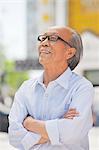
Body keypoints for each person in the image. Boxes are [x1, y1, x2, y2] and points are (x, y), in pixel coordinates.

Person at [8, 26, 94, 150]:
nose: (44, 43)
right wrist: (57, 129)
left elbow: (71, 133)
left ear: (69, 52)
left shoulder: (82, 87)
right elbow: (14, 136)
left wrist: (29, 123)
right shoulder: (26, 88)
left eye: (53, 38)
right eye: (42, 38)